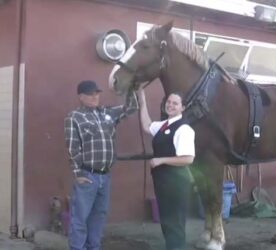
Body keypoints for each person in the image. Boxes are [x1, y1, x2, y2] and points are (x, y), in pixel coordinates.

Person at [64, 80, 138, 250]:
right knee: (80, 218)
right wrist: (78, 173)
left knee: (99, 216)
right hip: (87, 176)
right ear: (81, 97)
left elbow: (131, 108)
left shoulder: (107, 113)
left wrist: (132, 88)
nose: (95, 96)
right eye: (91, 94)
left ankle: (94, 247)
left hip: (105, 176)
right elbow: (72, 147)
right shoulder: (74, 117)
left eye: (97, 93)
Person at [137, 87, 195, 250]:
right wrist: (142, 100)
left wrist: (161, 160)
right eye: (168, 102)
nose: (170, 105)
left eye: (175, 103)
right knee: (168, 223)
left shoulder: (184, 129)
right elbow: (147, 126)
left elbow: (188, 159)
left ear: (183, 108)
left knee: (174, 224)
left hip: (176, 183)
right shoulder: (165, 125)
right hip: (164, 182)